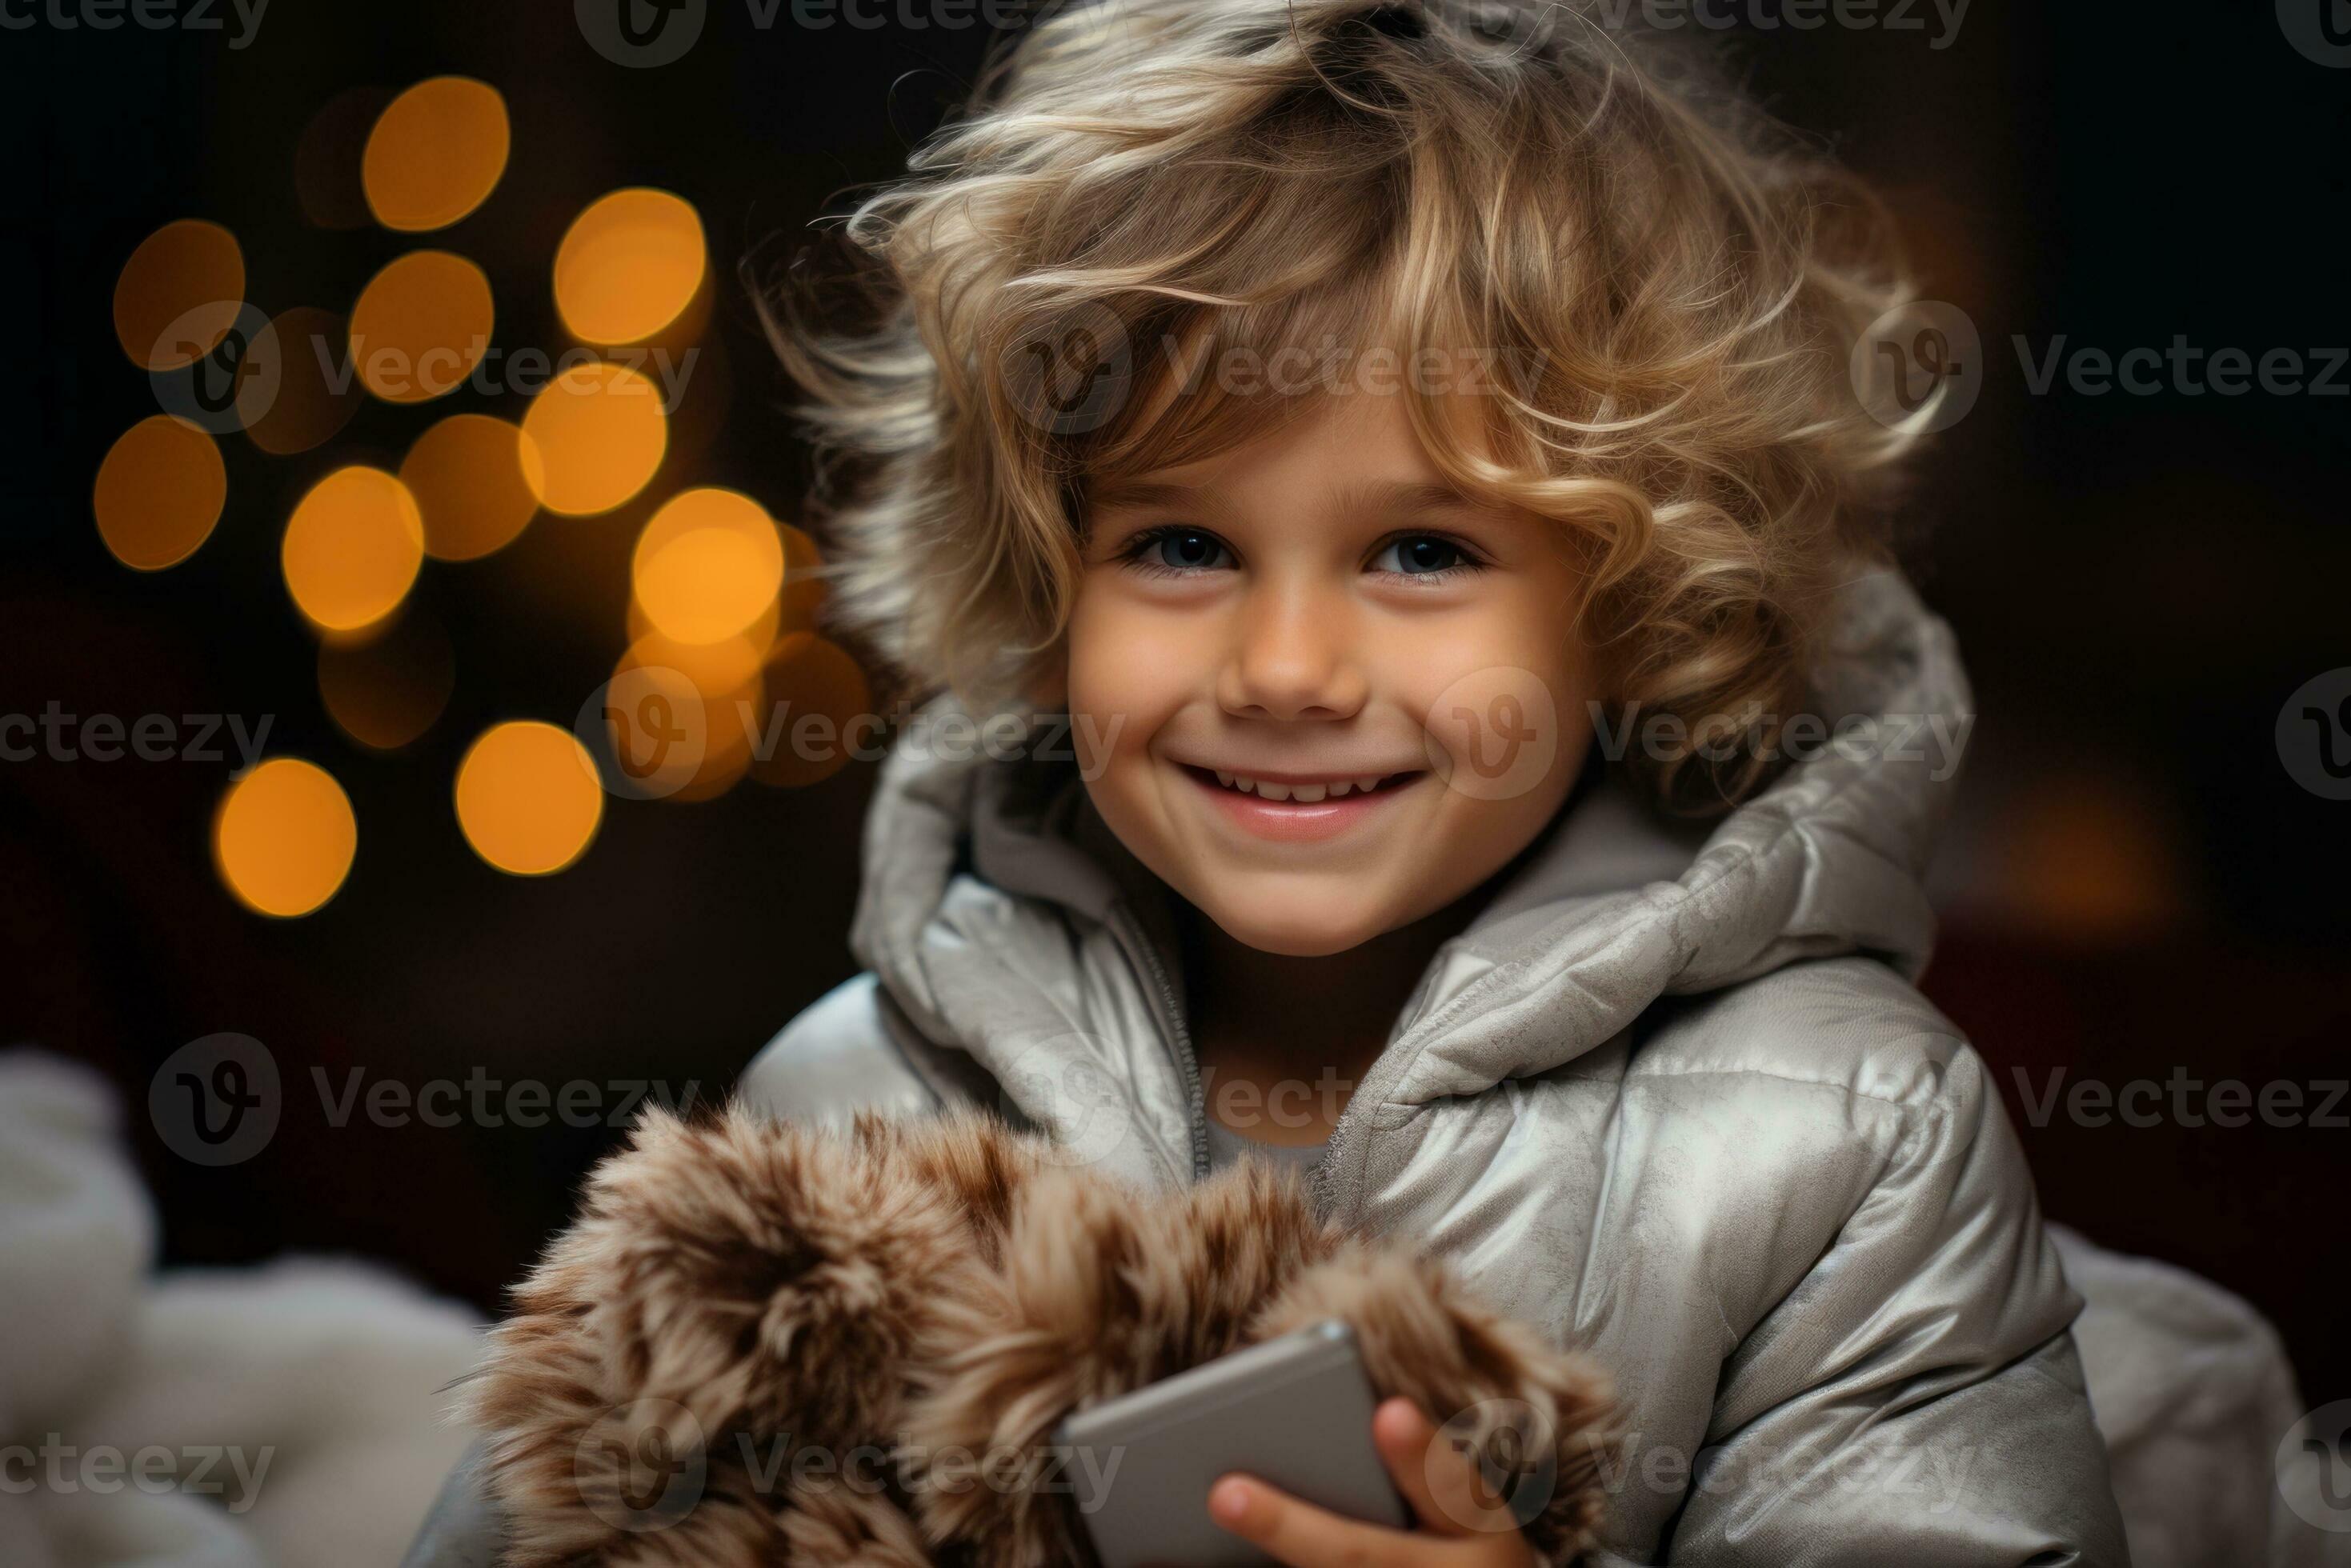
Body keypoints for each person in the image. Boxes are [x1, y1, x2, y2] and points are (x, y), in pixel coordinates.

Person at [419, 1, 2144, 1560]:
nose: (1289, 669)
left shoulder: (1841, 1136)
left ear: (1627, 602)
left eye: (1417, 549)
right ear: (1043, 579)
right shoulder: (848, 1101)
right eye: (1181, 542)